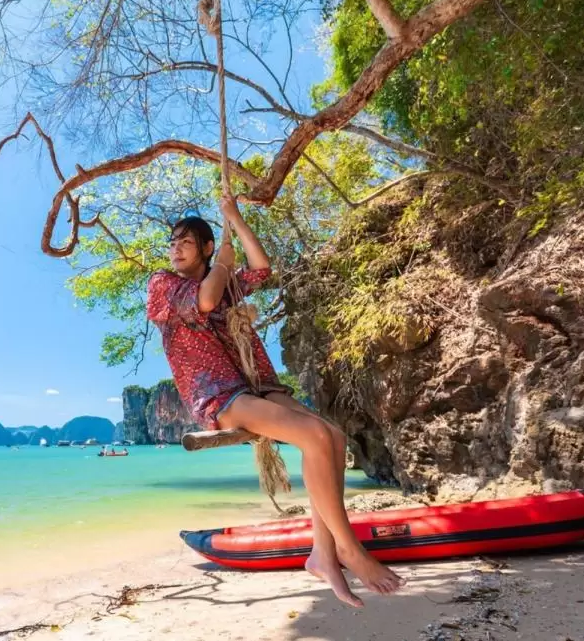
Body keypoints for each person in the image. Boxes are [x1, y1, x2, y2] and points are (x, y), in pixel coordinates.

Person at [145, 196, 405, 607]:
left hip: (258, 384)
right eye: (173, 242)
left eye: (186, 242)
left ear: (207, 247)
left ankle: (322, 554)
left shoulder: (226, 280)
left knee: (333, 437)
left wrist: (235, 220)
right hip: (219, 393)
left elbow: (262, 267)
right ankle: (349, 549)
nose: (175, 248)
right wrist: (225, 263)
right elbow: (205, 301)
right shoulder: (164, 283)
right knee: (314, 435)